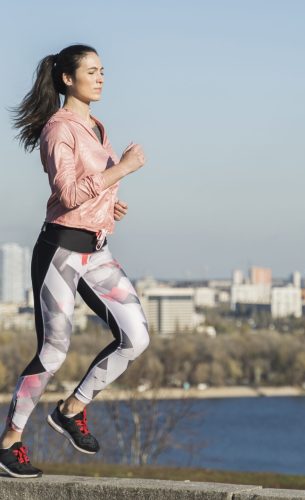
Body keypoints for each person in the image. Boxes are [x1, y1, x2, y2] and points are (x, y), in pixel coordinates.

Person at [0, 44, 150, 478]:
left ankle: (72, 409)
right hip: (61, 251)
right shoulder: (58, 128)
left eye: (103, 70)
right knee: (53, 350)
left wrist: (108, 206)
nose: (101, 77)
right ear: (68, 78)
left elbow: (90, 190)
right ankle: (10, 442)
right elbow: (67, 194)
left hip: (96, 250)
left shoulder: (97, 126)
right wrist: (120, 170)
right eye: (92, 71)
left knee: (136, 338)